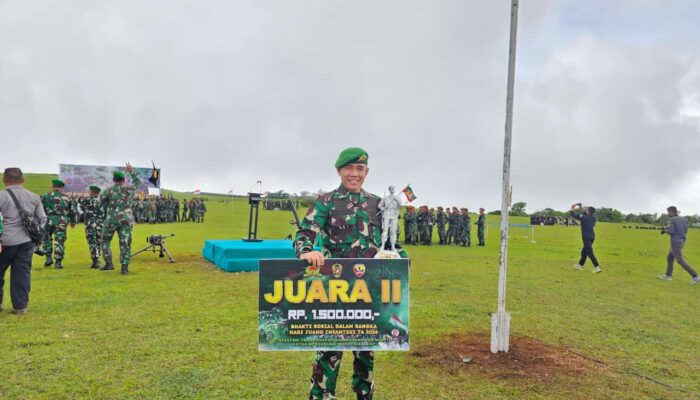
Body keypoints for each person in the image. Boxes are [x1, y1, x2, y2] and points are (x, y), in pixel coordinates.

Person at [293, 147, 407, 400]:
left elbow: (392, 242)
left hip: (370, 290)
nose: (354, 174)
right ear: (339, 171)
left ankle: (364, 395)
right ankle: (321, 395)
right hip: (337, 289)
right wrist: (306, 252)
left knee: (366, 350)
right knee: (328, 349)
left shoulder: (379, 203)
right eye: (349, 168)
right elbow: (305, 233)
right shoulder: (326, 202)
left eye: (360, 169)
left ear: (366, 172)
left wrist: (402, 258)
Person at [0, 168, 47, 314]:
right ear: (23, 179)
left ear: (4, 180)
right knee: (22, 273)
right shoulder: (34, 197)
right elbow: (43, 219)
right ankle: (20, 307)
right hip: (26, 241)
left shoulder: (1, 196)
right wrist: (35, 236)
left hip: (4, 241)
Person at [100, 163, 141, 274]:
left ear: (113, 180)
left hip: (111, 219)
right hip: (126, 219)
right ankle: (124, 268)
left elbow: (101, 203)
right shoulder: (129, 189)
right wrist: (131, 171)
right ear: (123, 180)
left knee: (105, 241)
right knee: (125, 243)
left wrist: (107, 211)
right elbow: (138, 182)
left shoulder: (107, 191)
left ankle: (109, 263)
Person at [40, 179, 77, 269]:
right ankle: (58, 262)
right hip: (62, 221)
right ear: (62, 188)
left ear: (53, 187)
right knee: (59, 240)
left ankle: (48, 258)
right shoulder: (67, 198)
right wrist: (73, 222)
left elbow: (40, 209)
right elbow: (72, 211)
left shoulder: (45, 196)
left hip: (48, 220)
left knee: (46, 238)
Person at [658, 206, 699, 284]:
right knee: (670, 258)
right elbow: (686, 230)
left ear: (672, 212)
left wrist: (665, 230)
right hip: (682, 241)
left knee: (680, 260)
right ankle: (668, 275)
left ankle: (695, 276)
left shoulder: (672, 219)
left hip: (675, 242)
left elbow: (671, 231)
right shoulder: (684, 219)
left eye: (668, 212)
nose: (668, 214)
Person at [570, 203, 601, 273]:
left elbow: (574, 215)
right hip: (592, 237)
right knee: (584, 252)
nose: (585, 210)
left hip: (586, 237)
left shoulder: (584, 217)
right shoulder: (593, 218)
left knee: (590, 253)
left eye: (586, 209)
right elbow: (585, 213)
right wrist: (581, 208)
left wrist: (572, 208)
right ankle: (580, 265)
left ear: (588, 212)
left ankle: (597, 267)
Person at [79, 185, 105, 269]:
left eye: (89, 191)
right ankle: (98, 258)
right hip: (100, 223)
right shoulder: (102, 201)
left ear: (92, 192)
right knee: (98, 241)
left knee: (91, 241)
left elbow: (81, 205)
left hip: (90, 224)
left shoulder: (87, 200)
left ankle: (95, 261)